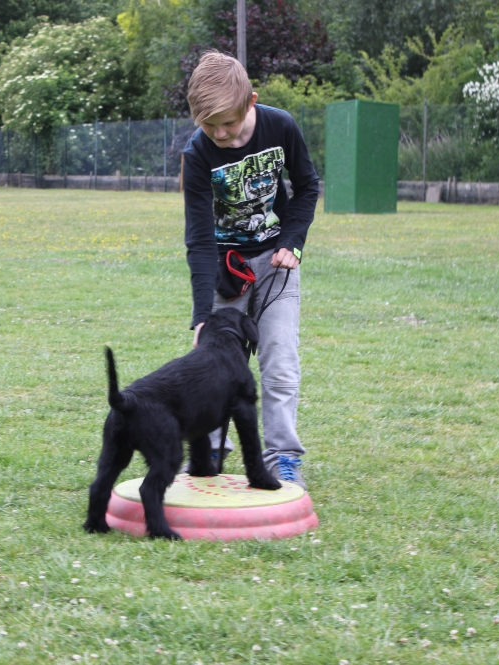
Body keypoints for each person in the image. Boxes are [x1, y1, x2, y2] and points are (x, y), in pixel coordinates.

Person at [181, 51, 319, 489]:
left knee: (279, 361)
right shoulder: (199, 153)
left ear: (252, 102)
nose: (222, 134)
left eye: (230, 123)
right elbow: (200, 240)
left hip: (277, 265)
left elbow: (307, 186)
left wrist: (292, 241)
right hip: (228, 270)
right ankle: (212, 453)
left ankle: (283, 458)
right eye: (210, 126)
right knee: (214, 366)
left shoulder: (281, 127)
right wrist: (203, 314)